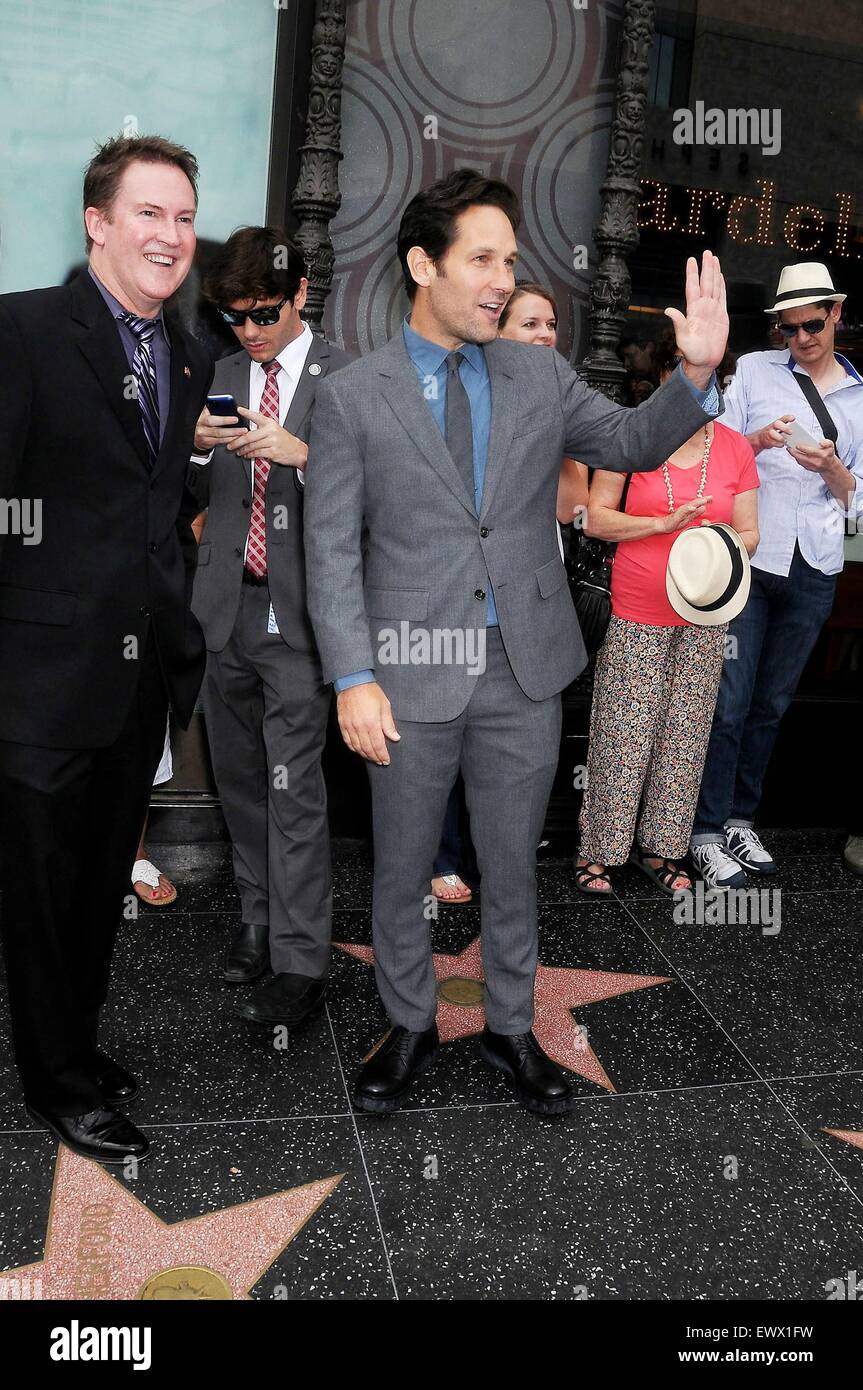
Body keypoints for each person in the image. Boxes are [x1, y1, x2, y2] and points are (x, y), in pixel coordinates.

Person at [303, 167, 728, 1116]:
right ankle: (408, 1024)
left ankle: (508, 1028)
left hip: (523, 669)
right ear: (423, 264)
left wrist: (694, 372)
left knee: (509, 864)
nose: (502, 279)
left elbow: (625, 443)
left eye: (511, 260)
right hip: (407, 669)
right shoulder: (354, 395)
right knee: (404, 864)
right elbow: (329, 548)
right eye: (482, 259)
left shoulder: (535, 371)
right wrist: (352, 678)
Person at [0, 135, 212, 1163]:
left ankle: (73, 1042)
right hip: (37, 687)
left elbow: (160, 507)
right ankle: (56, 1082)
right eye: (147, 213)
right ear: (96, 221)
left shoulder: (185, 351)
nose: (169, 235)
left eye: (182, 216)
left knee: (97, 887)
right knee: (40, 898)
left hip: (139, 679)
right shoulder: (26, 331)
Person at [187, 227, 351, 1025]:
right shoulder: (219, 373)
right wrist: (192, 449)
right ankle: (256, 919)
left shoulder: (347, 377)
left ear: (300, 294)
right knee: (242, 784)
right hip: (226, 607)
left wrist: (302, 451)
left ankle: (299, 956)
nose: (248, 332)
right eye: (234, 319)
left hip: (301, 616)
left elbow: (387, 493)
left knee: (295, 790)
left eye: (261, 315)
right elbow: (194, 492)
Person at [690, 263, 863, 889]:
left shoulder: (859, 395)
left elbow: (859, 497)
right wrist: (757, 441)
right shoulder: (758, 370)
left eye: (813, 325)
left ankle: (740, 817)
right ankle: (706, 831)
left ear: (836, 313)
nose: (802, 339)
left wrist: (835, 472)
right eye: (789, 329)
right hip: (751, 556)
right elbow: (717, 447)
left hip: (814, 565)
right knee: (729, 703)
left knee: (770, 705)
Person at [575, 335, 759, 895]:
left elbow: (751, 533)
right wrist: (659, 526)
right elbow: (594, 519)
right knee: (624, 732)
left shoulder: (734, 449)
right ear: (664, 382)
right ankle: (600, 852)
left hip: (706, 612)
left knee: (685, 734)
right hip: (638, 606)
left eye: (713, 379)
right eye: (688, 375)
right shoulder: (630, 441)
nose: (705, 388)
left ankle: (661, 849)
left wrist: (719, 543)